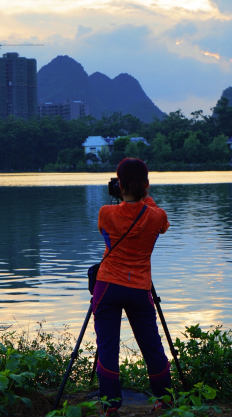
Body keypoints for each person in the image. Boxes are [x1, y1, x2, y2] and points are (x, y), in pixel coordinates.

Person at [93, 158, 173, 416]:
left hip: (107, 287)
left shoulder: (106, 212)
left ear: (120, 185)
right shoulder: (156, 215)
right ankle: (165, 400)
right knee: (151, 345)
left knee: (107, 346)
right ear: (147, 185)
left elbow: (104, 231)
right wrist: (144, 197)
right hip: (139, 288)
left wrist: (127, 197)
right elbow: (161, 224)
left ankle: (110, 406)